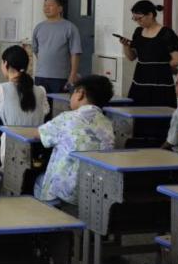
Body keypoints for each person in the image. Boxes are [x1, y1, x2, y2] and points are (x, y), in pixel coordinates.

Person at [32, 75, 116, 204]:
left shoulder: (67, 118)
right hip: (95, 189)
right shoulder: (108, 124)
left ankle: (45, 212)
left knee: (38, 180)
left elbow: (38, 134)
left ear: (80, 93)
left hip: (65, 191)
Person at [0, 46, 50, 161]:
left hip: (11, 152)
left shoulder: (0, 90)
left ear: (5, 63)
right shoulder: (41, 91)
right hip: (37, 152)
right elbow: (45, 111)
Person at [118, 0, 178, 107]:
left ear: (150, 15)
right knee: (137, 111)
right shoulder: (138, 32)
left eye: (140, 18)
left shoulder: (166, 33)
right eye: (134, 19)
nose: (138, 22)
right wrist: (126, 46)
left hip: (160, 83)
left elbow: (177, 60)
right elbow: (132, 57)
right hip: (140, 81)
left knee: (160, 112)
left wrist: (159, 67)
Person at [31, 0, 82, 94]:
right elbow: (36, 50)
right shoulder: (39, 27)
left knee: (59, 102)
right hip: (40, 76)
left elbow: (75, 53)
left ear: (60, 9)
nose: (46, 8)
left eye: (50, 5)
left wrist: (73, 75)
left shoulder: (70, 27)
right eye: (45, 6)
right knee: (42, 103)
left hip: (61, 77)